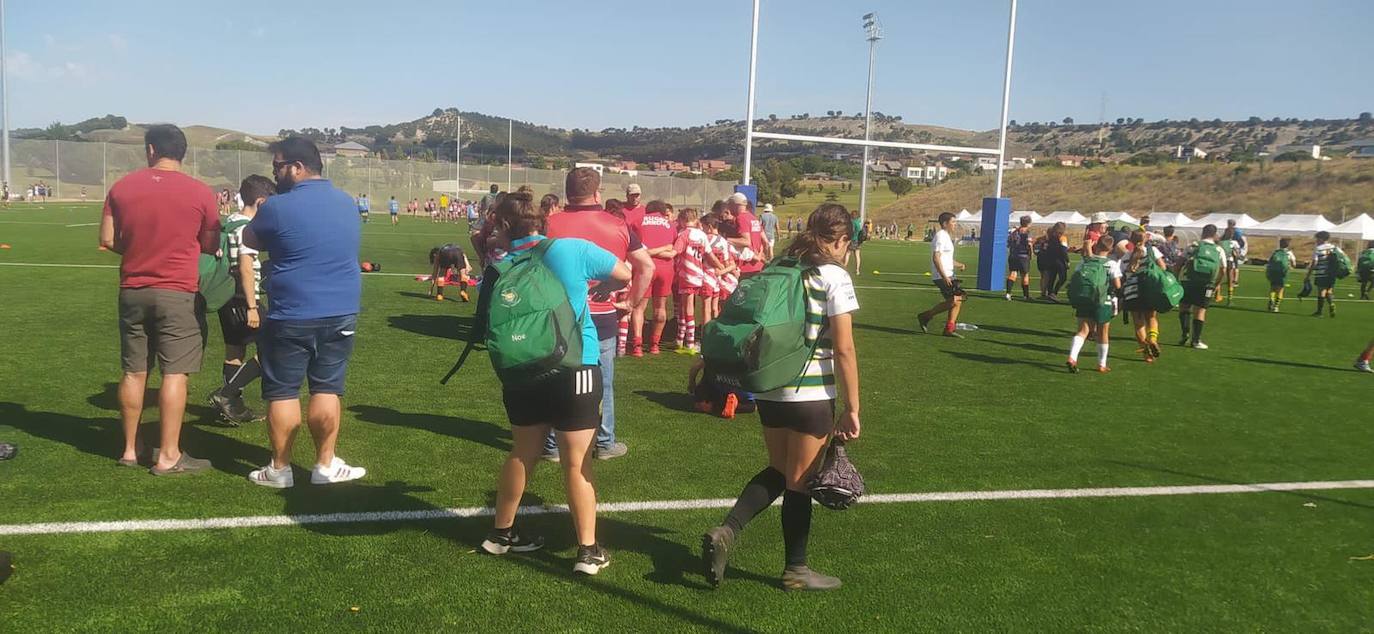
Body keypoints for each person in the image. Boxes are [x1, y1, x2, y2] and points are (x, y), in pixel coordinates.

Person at [702, 203, 861, 592]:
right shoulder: (833, 277)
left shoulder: (783, 265)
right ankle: (796, 569)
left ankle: (728, 529)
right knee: (800, 481)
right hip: (811, 394)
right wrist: (853, 408)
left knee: (778, 469)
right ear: (840, 240)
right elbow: (844, 349)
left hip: (771, 387)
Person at [478, 191, 632, 576]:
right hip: (576, 365)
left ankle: (501, 534)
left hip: (520, 370)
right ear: (544, 220)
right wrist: (604, 292)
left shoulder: (500, 265)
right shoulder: (572, 250)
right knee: (577, 462)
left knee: (522, 451)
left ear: (504, 227)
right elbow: (625, 273)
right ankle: (588, 550)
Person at [242, 137, 365, 488]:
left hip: (291, 313)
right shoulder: (347, 202)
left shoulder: (277, 207)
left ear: (296, 167)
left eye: (278, 166)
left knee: (283, 391)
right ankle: (324, 466)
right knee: (327, 388)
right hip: (341, 310)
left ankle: (280, 469)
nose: (274, 173)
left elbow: (250, 243)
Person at [99, 124, 220, 475]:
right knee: (174, 373)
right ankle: (168, 454)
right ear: (182, 152)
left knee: (134, 371)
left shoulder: (121, 187)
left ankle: (129, 449)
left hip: (133, 289)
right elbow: (210, 244)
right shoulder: (200, 192)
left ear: (151, 149)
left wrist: (136, 248)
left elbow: (107, 238)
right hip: (177, 291)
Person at [543, 167, 653, 461]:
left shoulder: (548, 224)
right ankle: (605, 441)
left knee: (556, 376)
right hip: (602, 315)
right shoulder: (617, 225)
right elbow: (647, 267)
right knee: (602, 381)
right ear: (597, 192)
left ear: (567, 191)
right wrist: (631, 302)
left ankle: (553, 444)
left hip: (557, 316)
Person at [208, 175, 275, 424]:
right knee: (272, 349)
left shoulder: (230, 223)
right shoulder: (247, 228)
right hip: (244, 297)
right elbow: (245, 268)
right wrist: (252, 306)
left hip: (227, 297)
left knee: (234, 351)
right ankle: (226, 395)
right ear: (260, 202)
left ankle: (231, 410)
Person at [1066, 235, 1121, 373]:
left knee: (1083, 331)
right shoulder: (1111, 263)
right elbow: (1117, 285)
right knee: (1103, 332)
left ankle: (1072, 357)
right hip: (1103, 300)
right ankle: (1102, 364)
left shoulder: (1084, 262)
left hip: (1084, 299)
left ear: (1096, 246)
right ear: (1111, 248)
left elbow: (1075, 278)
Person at [673, 208, 723, 354]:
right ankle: (680, 339)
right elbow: (709, 255)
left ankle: (689, 343)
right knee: (685, 306)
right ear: (695, 220)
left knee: (687, 307)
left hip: (686, 274)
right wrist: (720, 266)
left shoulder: (683, 234)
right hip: (698, 274)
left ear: (682, 220)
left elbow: (676, 251)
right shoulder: (702, 235)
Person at [636, 199, 678, 355]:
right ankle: (654, 344)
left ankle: (637, 345)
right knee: (660, 307)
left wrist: (651, 251)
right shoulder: (670, 224)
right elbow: (673, 246)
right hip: (666, 268)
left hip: (645, 267)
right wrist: (663, 250)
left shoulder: (638, 221)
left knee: (640, 307)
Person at [1177, 224, 1227, 349]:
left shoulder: (1193, 246)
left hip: (1188, 280)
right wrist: (1216, 284)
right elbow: (1223, 269)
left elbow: (1178, 263)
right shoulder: (1219, 250)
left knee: (1184, 306)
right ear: (1215, 235)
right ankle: (1196, 340)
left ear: (1203, 233)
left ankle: (1185, 333)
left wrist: (1177, 279)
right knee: (1200, 310)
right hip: (1207, 283)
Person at [918, 212, 967, 337]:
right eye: (953, 222)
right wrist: (944, 276)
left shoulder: (946, 236)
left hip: (949, 273)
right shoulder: (940, 236)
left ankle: (949, 328)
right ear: (945, 223)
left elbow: (947, 258)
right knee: (954, 300)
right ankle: (926, 316)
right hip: (942, 275)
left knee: (959, 299)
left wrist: (959, 264)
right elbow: (936, 257)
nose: (955, 224)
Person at [1120, 230, 1165, 363]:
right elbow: (1163, 267)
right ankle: (1152, 339)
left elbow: (1123, 275)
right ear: (1145, 239)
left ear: (1131, 241)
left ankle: (1147, 354)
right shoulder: (1152, 251)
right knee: (1151, 317)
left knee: (1138, 323)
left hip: (1132, 292)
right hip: (1149, 290)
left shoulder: (1126, 256)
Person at [1304, 230, 1344, 318]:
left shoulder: (1319, 248)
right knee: (1329, 291)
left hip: (1321, 273)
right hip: (1332, 273)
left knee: (1321, 291)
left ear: (1321, 239)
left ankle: (1319, 312)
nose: (1316, 240)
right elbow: (1342, 257)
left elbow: (1315, 262)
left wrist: (1308, 274)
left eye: (1317, 238)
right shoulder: (1334, 247)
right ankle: (1331, 304)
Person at [725, 193, 764, 279]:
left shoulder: (741, 218)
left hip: (746, 267)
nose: (729, 208)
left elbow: (746, 242)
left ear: (735, 205)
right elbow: (763, 240)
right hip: (758, 266)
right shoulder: (753, 218)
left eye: (730, 205)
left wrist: (725, 240)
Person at [1038, 222, 1071, 301]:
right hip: (1060, 261)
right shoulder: (1062, 238)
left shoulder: (1050, 237)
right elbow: (1063, 251)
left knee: (1052, 277)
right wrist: (1067, 260)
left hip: (1050, 260)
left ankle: (1050, 293)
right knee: (1063, 278)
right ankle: (1054, 292)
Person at [1005, 215, 1034, 301]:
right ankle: (1026, 295)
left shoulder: (1014, 232)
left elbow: (1008, 243)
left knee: (1012, 273)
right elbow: (1029, 244)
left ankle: (1008, 293)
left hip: (1013, 255)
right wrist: (1031, 253)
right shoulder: (1028, 232)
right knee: (1025, 275)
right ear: (1028, 223)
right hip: (1023, 256)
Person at [1265, 238, 1297, 312]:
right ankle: (1276, 306)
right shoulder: (1289, 253)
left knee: (1273, 288)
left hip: (1273, 272)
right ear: (1288, 245)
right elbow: (1294, 264)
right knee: (1280, 289)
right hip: (1283, 273)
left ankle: (1271, 300)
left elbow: (1269, 262)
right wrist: (1290, 267)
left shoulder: (1275, 252)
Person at [1217, 227, 1243, 305]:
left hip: (1220, 261)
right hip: (1229, 261)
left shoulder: (1220, 242)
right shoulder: (1233, 242)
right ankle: (1230, 299)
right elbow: (1237, 254)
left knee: (1218, 278)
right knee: (1230, 279)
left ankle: (1216, 295)